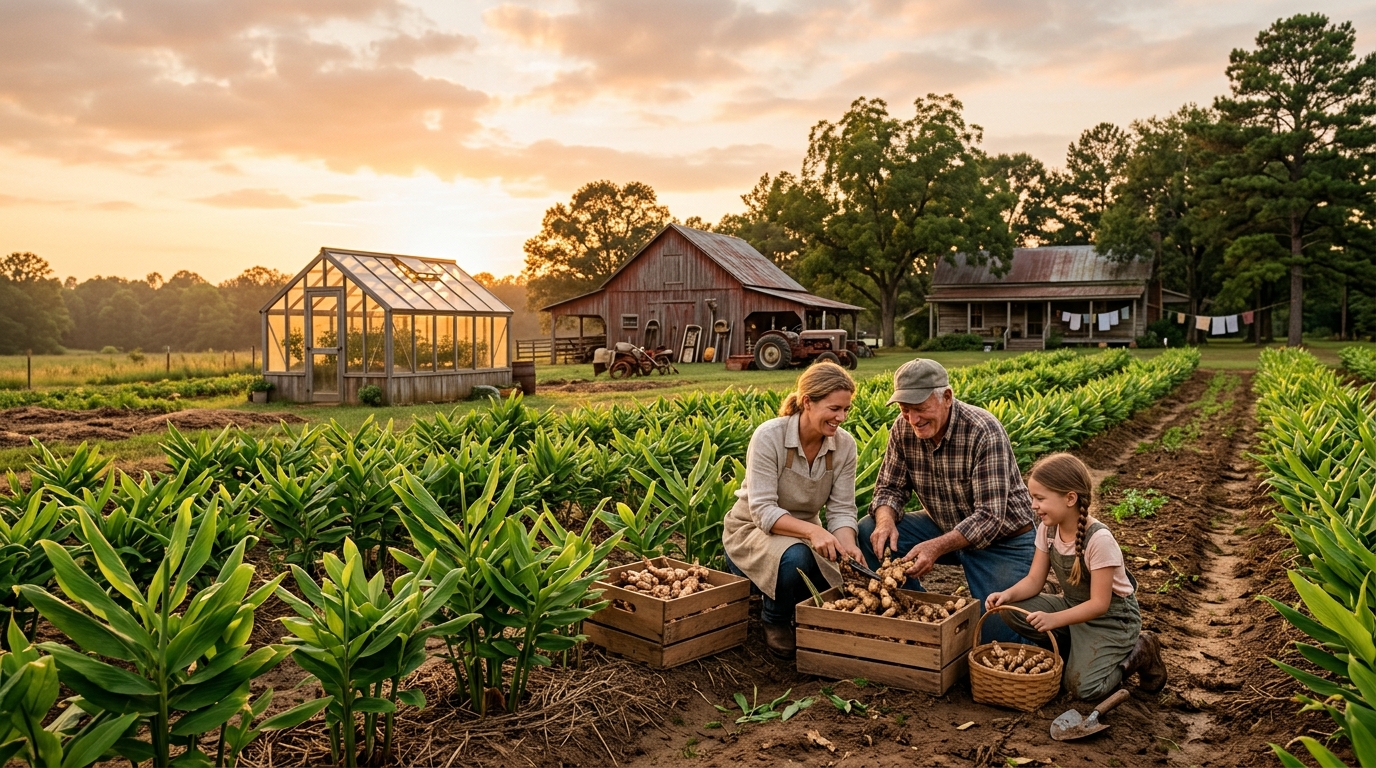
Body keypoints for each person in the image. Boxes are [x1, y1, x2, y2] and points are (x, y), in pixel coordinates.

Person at [859, 358, 1036, 643]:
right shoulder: (903, 429)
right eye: (905, 410)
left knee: (998, 636)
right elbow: (889, 488)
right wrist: (884, 521)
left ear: (947, 398)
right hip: (944, 527)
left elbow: (990, 517)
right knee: (869, 531)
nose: (912, 419)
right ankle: (915, 610)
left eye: (920, 409)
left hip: (1003, 541)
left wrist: (937, 547)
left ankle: (1036, 589)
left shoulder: (983, 430)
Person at [986, 452, 1167, 698]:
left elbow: (1100, 605)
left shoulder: (1099, 540)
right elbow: (1034, 581)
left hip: (1111, 621)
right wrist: (1005, 595)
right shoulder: (1047, 530)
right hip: (1073, 608)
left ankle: (1140, 650)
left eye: (1040, 498)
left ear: (1070, 498)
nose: (1033, 505)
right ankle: (1077, 653)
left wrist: (1054, 620)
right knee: (1010, 610)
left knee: (1083, 688)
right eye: (1032, 498)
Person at [723, 362, 864, 658]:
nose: (841, 417)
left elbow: (841, 509)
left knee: (841, 567)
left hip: (806, 533)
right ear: (807, 402)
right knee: (796, 558)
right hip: (752, 531)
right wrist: (814, 531)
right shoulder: (769, 437)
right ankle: (774, 619)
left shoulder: (844, 446)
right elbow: (762, 511)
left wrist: (848, 545)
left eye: (846, 410)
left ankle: (803, 614)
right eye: (834, 408)